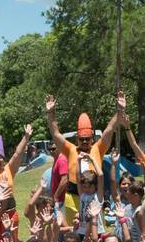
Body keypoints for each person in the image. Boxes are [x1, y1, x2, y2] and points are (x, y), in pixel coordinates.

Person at [45, 92, 122, 225]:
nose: (85, 142)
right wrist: (51, 113)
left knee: (94, 229)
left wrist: (120, 110)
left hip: (94, 195)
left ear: (92, 138)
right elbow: (55, 133)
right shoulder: (70, 149)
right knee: (73, 231)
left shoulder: (98, 148)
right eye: (82, 139)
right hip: (72, 196)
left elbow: (109, 129)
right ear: (77, 139)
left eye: (87, 139)